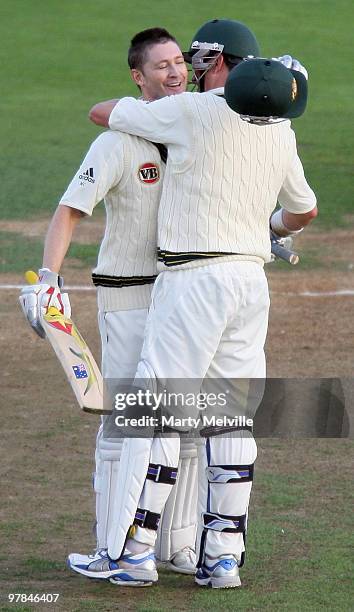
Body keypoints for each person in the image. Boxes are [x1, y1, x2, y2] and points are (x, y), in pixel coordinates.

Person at [88, 18, 318, 589]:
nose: (189, 69)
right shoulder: (281, 130)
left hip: (191, 282)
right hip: (249, 283)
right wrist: (266, 225)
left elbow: (103, 112)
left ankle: (135, 551)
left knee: (159, 404)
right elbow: (304, 211)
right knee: (232, 416)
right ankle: (223, 560)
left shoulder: (189, 111)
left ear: (221, 62)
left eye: (200, 59)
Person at [19, 28, 198, 586]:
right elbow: (71, 209)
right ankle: (117, 548)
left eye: (179, 63)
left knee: (180, 423)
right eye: (161, 66)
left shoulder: (200, 129)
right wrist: (49, 277)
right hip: (129, 298)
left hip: (185, 298)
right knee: (128, 423)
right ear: (136, 79)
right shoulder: (118, 141)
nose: (174, 73)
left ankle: (173, 548)